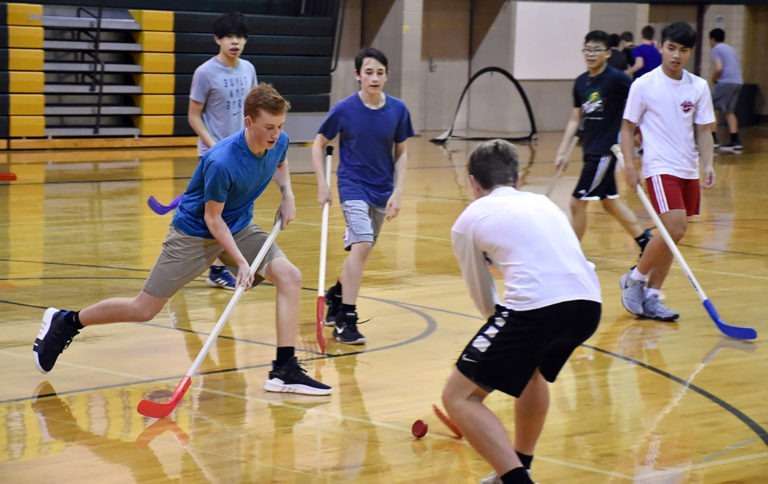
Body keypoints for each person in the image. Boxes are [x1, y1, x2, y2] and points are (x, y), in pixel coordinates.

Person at [33, 84, 332, 396]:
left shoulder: (278, 142)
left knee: (289, 276)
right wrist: (242, 263)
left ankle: (284, 369)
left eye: (280, 126)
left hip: (240, 227)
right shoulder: (222, 161)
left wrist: (288, 194)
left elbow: (280, 163)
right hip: (195, 234)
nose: (275, 134)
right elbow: (212, 219)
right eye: (268, 127)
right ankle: (67, 322)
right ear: (248, 122)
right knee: (143, 309)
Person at [441, 139, 602, 484]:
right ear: (517, 179)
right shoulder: (543, 203)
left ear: (473, 182)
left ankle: (516, 480)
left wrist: (499, 332)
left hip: (536, 310)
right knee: (531, 373)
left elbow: (481, 291)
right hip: (589, 304)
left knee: (460, 397)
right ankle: (520, 463)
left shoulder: (469, 219)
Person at [311, 47, 414, 345]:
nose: (374, 78)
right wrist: (322, 184)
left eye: (380, 72)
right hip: (353, 186)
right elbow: (318, 144)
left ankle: (336, 293)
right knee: (363, 242)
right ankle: (347, 318)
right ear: (357, 75)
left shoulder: (397, 110)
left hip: (382, 188)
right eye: (368, 72)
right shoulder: (344, 109)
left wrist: (398, 191)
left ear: (387, 76)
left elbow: (402, 153)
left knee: (362, 251)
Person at [619, 22, 716, 322]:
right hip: (660, 167)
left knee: (674, 235)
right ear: (661, 47)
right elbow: (627, 128)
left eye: (683, 50)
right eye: (671, 48)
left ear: (690, 53)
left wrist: (708, 163)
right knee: (673, 228)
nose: (676, 55)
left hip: (687, 168)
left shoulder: (698, 86)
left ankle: (653, 296)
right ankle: (635, 278)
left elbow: (704, 131)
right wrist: (630, 163)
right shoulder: (643, 85)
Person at [555, 30, 650, 252]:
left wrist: (639, 133)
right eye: (587, 49)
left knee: (577, 202)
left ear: (607, 53)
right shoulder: (581, 82)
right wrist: (562, 151)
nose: (590, 54)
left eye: (596, 50)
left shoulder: (617, 80)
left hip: (604, 151)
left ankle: (571, 253)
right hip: (590, 148)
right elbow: (575, 118)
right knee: (610, 202)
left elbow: (640, 103)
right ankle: (645, 241)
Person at [188, 12, 258, 290]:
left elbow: (254, 109)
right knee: (216, 212)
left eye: (240, 37)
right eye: (229, 36)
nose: (235, 42)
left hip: (243, 153)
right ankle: (216, 268)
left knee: (236, 211)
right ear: (217, 39)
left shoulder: (248, 69)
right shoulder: (205, 73)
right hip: (214, 155)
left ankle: (225, 261)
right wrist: (213, 145)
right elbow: (194, 116)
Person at [709, 28, 743, 153]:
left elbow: (719, 68)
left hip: (726, 82)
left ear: (712, 39)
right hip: (738, 81)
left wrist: (713, 79)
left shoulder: (716, 49)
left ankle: (712, 140)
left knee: (709, 107)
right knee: (730, 111)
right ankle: (736, 141)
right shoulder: (731, 49)